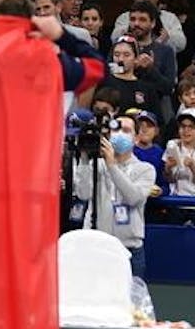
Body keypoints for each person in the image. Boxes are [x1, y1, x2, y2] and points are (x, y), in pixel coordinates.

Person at [73, 112, 156, 279]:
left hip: (129, 249)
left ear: (136, 137)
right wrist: (83, 158)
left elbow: (134, 198)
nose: (120, 134)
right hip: (97, 246)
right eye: (116, 130)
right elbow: (83, 193)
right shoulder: (97, 165)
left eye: (126, 130)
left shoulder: (145, 169)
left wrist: (111, 165)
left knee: (130, 302)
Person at [163, 113, 195, 197]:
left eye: (191, 127)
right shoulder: (172, 146)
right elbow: (170, 180)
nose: (186, 130)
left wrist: (193, 167)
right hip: (176, 201)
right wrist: (168, 168)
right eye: (183, 126)